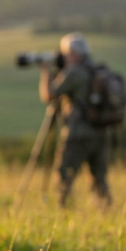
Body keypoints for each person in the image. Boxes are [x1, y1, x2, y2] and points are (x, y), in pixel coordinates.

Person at [38, 33, 112, 206]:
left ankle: (64, 210)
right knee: (99, 177)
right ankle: (106, 210)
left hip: (78, 132)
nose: (62, 57)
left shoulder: (74, 73)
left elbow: (48, 95)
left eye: (64, 53)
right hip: (100, 132)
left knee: (65, 174)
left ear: (73, 53)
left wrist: (46, 71)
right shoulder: (96, 70)